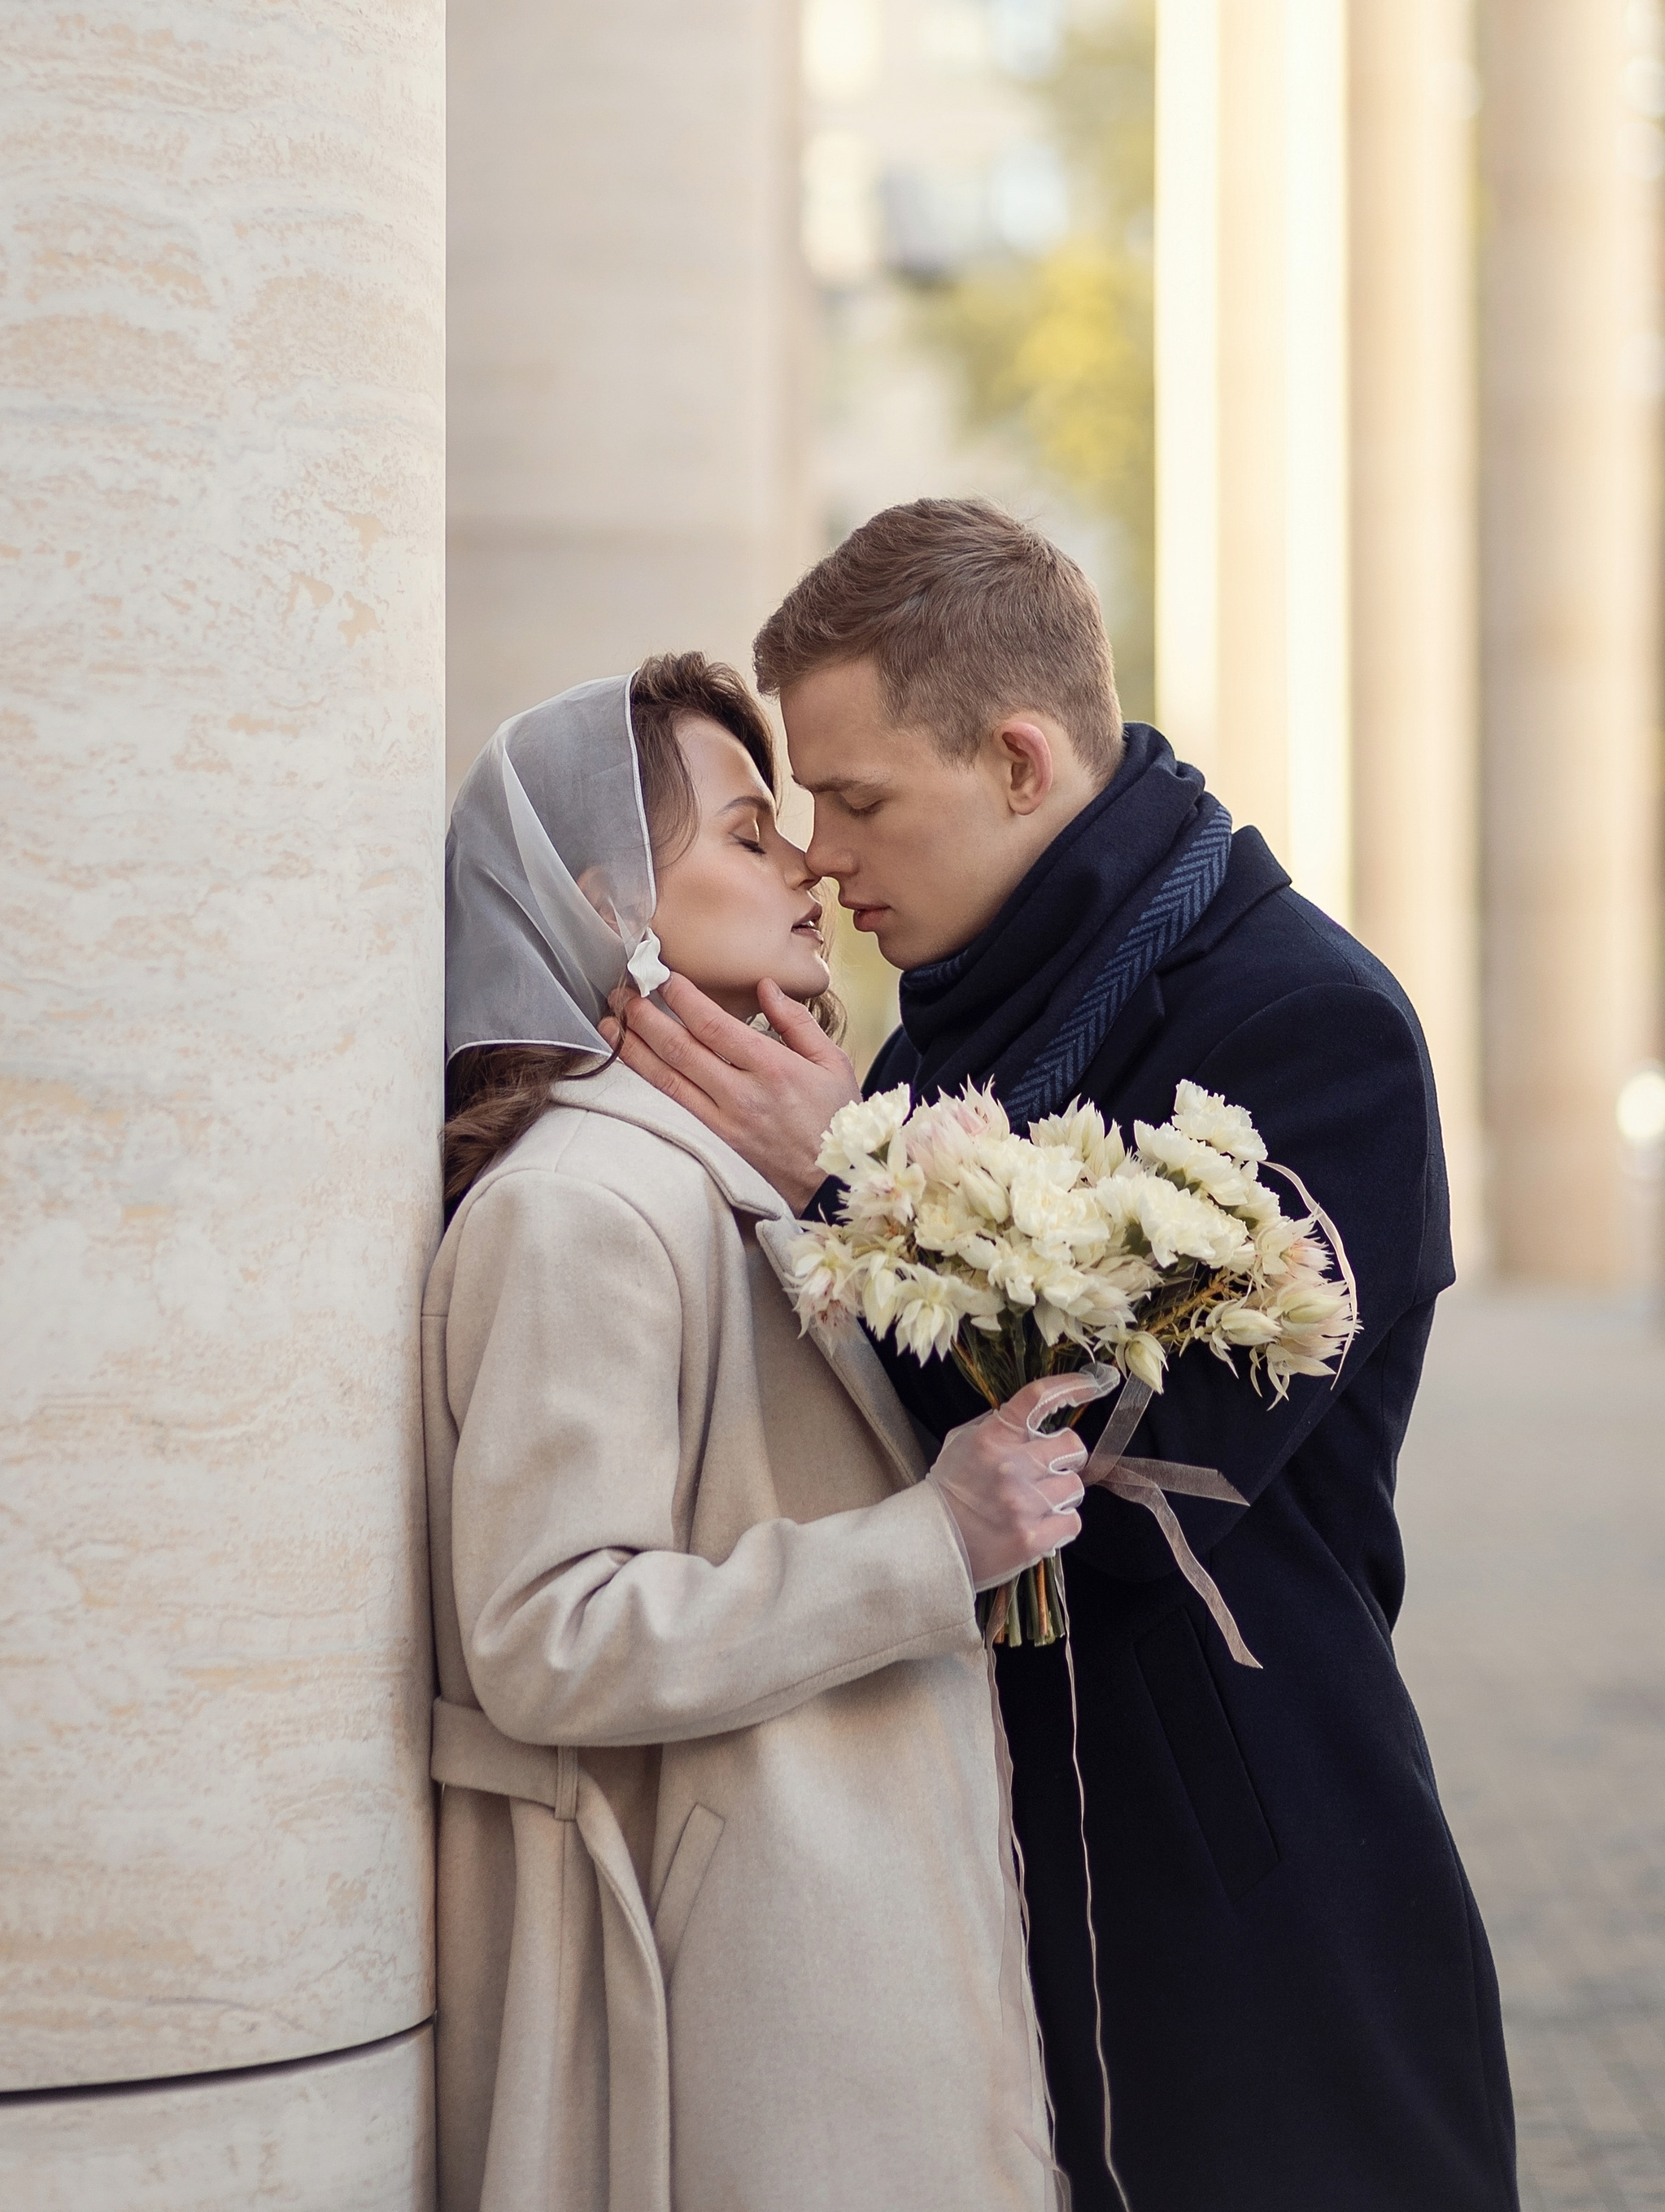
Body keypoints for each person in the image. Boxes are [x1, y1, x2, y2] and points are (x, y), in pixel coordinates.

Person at [610, 502, 1522, 2212]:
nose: (820, 857)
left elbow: (1129, 1482)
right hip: (969, 1874)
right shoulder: (971, 996)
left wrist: (861, 1176)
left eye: (859, 799)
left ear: (1019, 762)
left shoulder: (1303, 1021)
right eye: (796, 810)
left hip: (1243, 1916)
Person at [427, 651, 1085, 2212]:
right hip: (741, 2002)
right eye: (745, 833)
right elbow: (547, 1635)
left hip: (863, 1948)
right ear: (605, 902)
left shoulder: (744, 1176)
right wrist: (935, 1543)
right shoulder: (580, 1208)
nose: (808, 868)